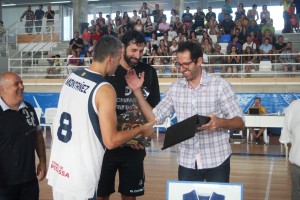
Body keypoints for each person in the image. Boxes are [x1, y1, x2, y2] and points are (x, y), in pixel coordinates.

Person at [47, 35, 155, 200]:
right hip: (81, 174)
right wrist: (141, 129)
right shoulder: (104, 88)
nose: (119, 63)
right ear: (110, 59)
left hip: (60, 168)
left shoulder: (72, 77)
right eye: (119, 59)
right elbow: (111, 141)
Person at [125, 41, 245, 183]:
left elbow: (240, 122)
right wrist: (137, 91)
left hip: (217, 160)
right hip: (187, 162)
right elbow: (154, 117)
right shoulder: (175, 88)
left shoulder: (220, 85)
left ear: (199, 61)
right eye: (178, 64)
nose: (181, 69)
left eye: (186, 64)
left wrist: (220, 123)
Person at [97, 30, 160, 200]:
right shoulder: (107, 71)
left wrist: (138, 136)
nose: (137, 55)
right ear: (123, 48)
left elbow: (152, 112)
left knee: (130, 196)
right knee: (100, 195)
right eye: (133, 50)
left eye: (141, 51)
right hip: (105, 148)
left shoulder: (149, 72)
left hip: (135, 149)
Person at [0, 71, 47, 199]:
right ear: (3, 89)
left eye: (21, 83)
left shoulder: (29, 108)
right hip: (4, 186)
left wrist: (42, 160)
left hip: (29, 182)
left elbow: (37, 134)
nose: (21, 86)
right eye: (16, 84)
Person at [279, 99, 300, 200]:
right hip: (297, 164)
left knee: (297, 192)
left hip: (298, 162)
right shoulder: (294, 106)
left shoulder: (294, 106)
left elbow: (285, 138)